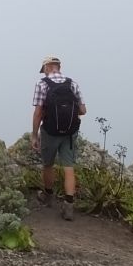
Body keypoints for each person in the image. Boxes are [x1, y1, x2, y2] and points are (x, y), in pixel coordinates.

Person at [30, 55, 86, 220]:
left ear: (47, 68)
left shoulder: (42, 84)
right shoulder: (73, 84)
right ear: (58, 67)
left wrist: (34, 135)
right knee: (68, 166)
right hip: (69, 132)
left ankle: (48, 196)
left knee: (48, 164)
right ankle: (69, 206)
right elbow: (83, 110)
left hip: (50, 132)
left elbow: (38, 112)